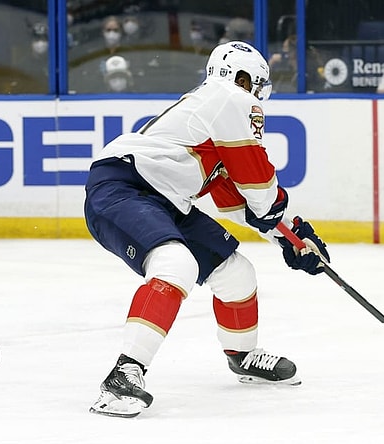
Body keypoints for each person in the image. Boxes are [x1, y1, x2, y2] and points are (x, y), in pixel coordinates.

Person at [84, 40, 330, 418]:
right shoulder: (229, 98)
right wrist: (282, 221)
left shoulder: (210, 122)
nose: (259, 97)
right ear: (242, 78)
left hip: (167, 199)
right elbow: (260, 188)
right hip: (124, 187)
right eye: (258, 85)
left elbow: (242, 204)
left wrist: (291, 237)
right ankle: (123, 375)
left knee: (237, 273)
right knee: (176, 265)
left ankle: (243, 356)